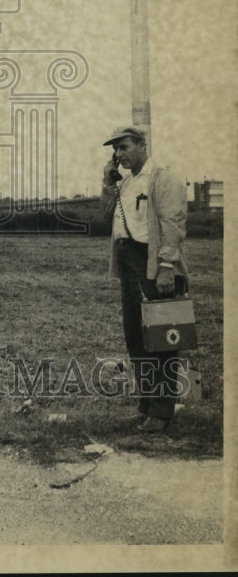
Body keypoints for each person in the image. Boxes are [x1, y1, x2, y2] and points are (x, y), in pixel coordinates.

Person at [100, 125, 190, 432]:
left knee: (162, 338)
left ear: (142, 145)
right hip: (127, 262)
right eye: (116, 150)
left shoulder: (162, 178)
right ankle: (146, 405)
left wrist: (167, 266)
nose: (119, 154)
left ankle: (162, 412)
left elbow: (173, 224)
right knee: (136, 336)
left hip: (153, 263)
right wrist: (108, 183)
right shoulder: (125, 183)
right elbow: (106, 217)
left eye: (124, 147)